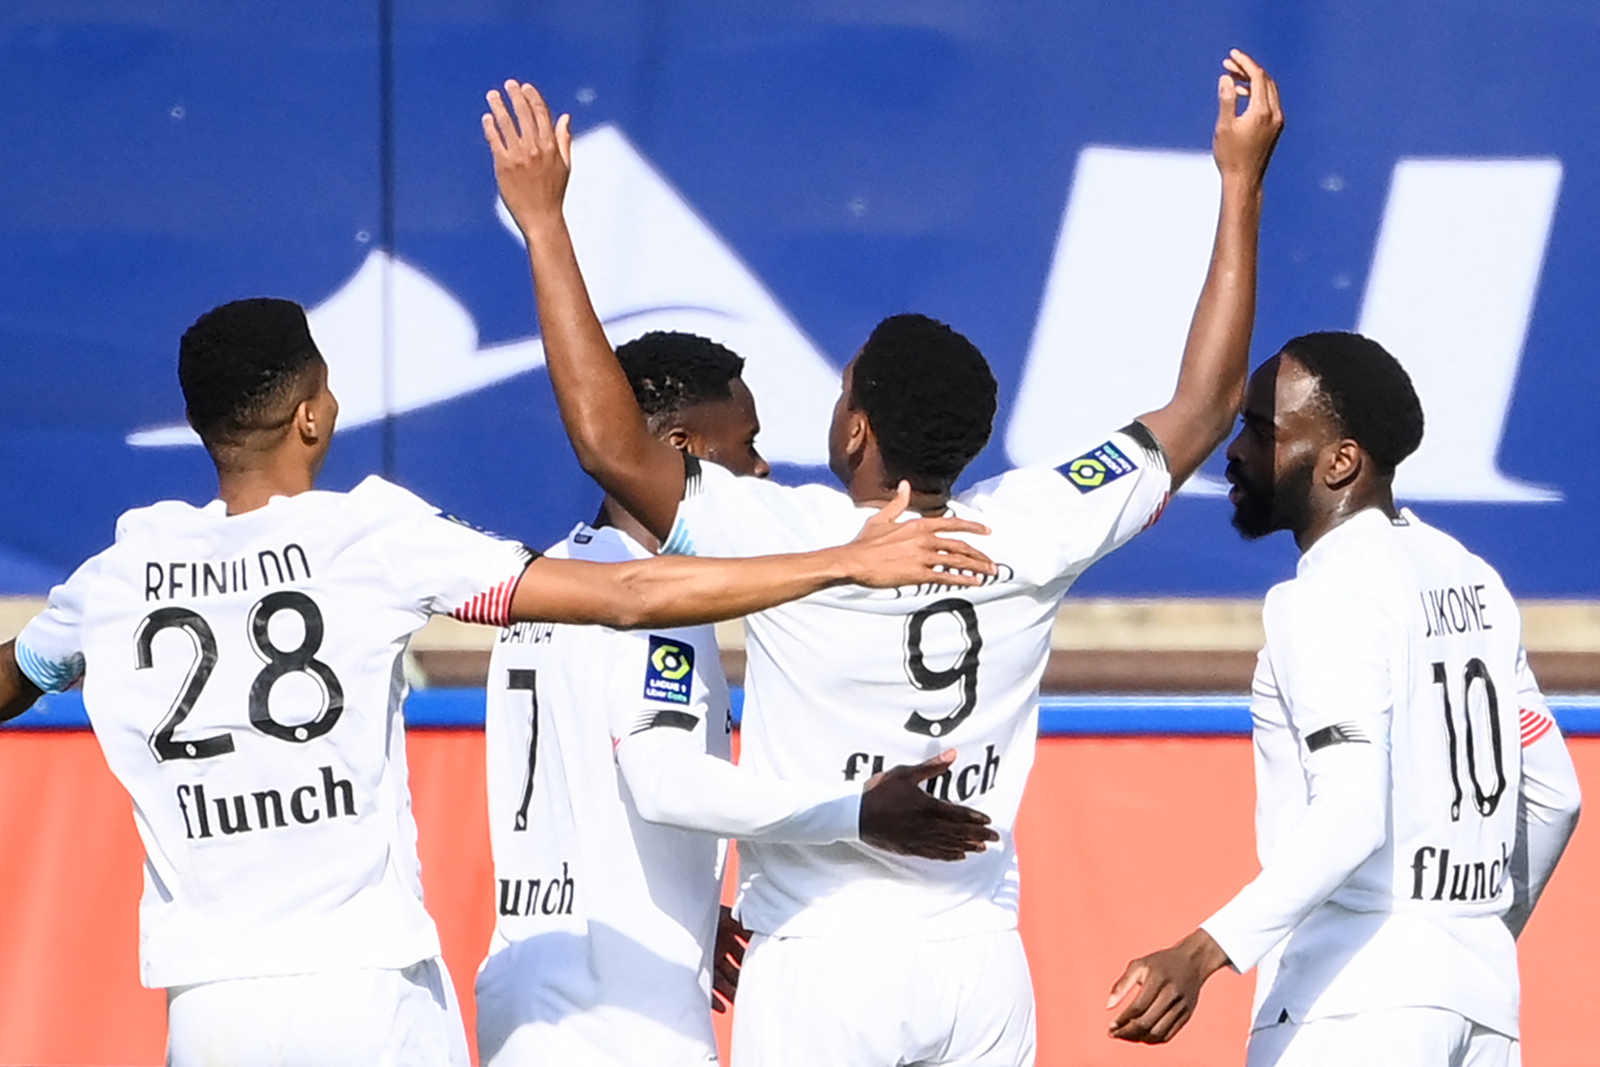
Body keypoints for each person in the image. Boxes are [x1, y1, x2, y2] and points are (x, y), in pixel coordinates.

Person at [483, 49, 1282, 1066]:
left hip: (824, 961)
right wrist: (1239, 183)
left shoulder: (781, 533)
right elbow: (1205, 406)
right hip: (979, 963)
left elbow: (611, 442)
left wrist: (546, 227)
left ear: (856, 430)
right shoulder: (1035, 521)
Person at [0, 298, 997, 1067]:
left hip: (218, 1004)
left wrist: (690, 902)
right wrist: (839, 562)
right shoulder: (375, 540)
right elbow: (634, 602)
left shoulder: (118, 572)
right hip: (382, 988)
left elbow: (19, 675)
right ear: (314, 415)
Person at [476, 330, 995, 1066]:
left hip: (521, 992)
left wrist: (689, 906)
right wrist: (855, 811)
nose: (761, 467)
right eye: (746, 445)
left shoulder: (552, 581)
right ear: (683, 450)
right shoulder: (658, 608)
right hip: (627, 1021)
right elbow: (663, 783)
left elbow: (582, 802)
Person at [1107, 332, 1583, 1065]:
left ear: (1341, 460)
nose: (1233, 452)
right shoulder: (1475, 581)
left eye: (1262, 432)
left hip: (1353, 1006)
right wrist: (1462, 939)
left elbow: (1352, 811)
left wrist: (1200, 955)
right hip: (1483, 1003)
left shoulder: (1326, 597)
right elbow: (1555, 795)